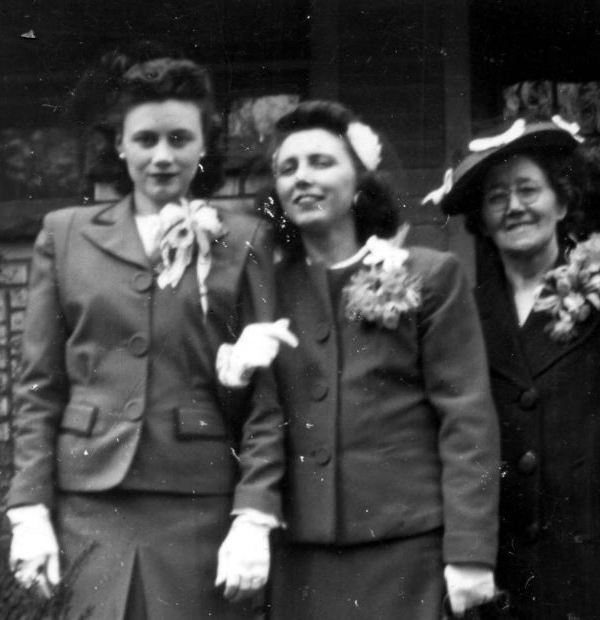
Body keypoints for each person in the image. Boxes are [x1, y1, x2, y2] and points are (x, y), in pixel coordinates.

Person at [5, 48, 283, 618]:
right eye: (146, 139)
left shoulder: (243, 238)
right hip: (88, 502)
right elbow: (38, 388)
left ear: (203, 146)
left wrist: (253, 516)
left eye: (179, 139)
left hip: (198, 502)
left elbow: (267, 401)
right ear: (120, 144)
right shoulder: (65, 235)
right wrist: (29, 510)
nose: (162, 156)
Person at [227, 100, 499, 619]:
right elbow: (253, 419)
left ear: (360, 181)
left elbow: (466, 420)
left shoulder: (429, 274)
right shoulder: (264, 289)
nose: (302, 177)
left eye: (321, 162)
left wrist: (469, 553)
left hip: (405, 545)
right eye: (288, 168)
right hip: (301, 551)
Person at [433, 116, 600, 620]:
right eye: (496, 197)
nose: (514, 207)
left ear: (561, 201)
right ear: (482, 220)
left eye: (528, 189)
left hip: (597, 564)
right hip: (502, 570)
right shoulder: (464, 313)